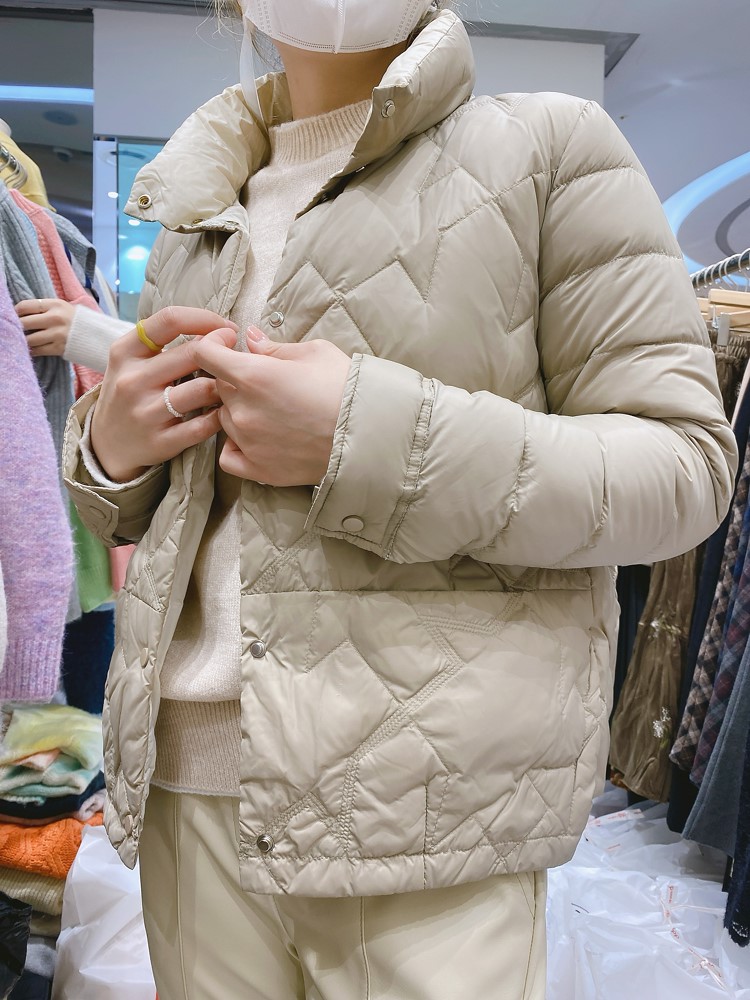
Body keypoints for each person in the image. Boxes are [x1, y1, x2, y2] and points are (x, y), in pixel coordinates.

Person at [63, 1, 737, 997]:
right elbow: (165, 512)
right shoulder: (197, 198)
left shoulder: (550, 151)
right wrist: (110, 449)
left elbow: (683, 470)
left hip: (427, 814)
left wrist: (362, 436)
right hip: (187, 790)